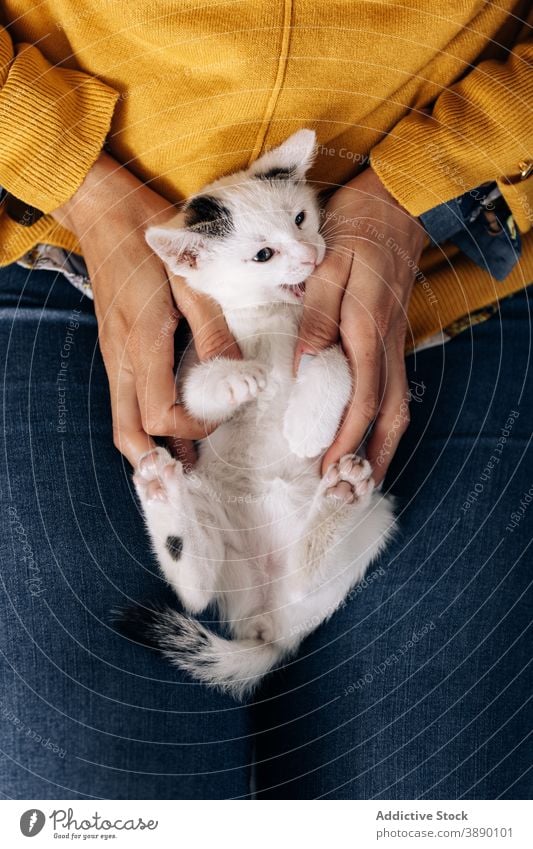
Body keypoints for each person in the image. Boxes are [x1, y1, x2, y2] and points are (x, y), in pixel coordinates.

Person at [0, 1, 531, 799]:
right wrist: (61, 166)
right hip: (61, 246)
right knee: (98, 785)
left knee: (427, 798)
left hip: (448, 256)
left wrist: (425, 177)